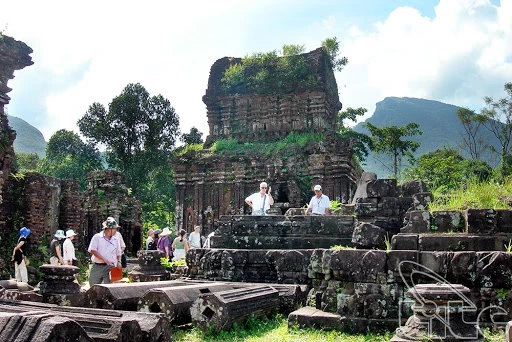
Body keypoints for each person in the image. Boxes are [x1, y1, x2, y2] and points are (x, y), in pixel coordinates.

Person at [87, 217, 123, 286]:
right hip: (98, 265)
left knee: (112, 287)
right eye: (115, 229)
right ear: (109, 229)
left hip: (112, 266)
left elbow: (119, 253)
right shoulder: (97, 237)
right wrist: (104, 259)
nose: (116, 231)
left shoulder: (116, 240)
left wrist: (119, 262)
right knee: (93, 285)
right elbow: (92, 250)